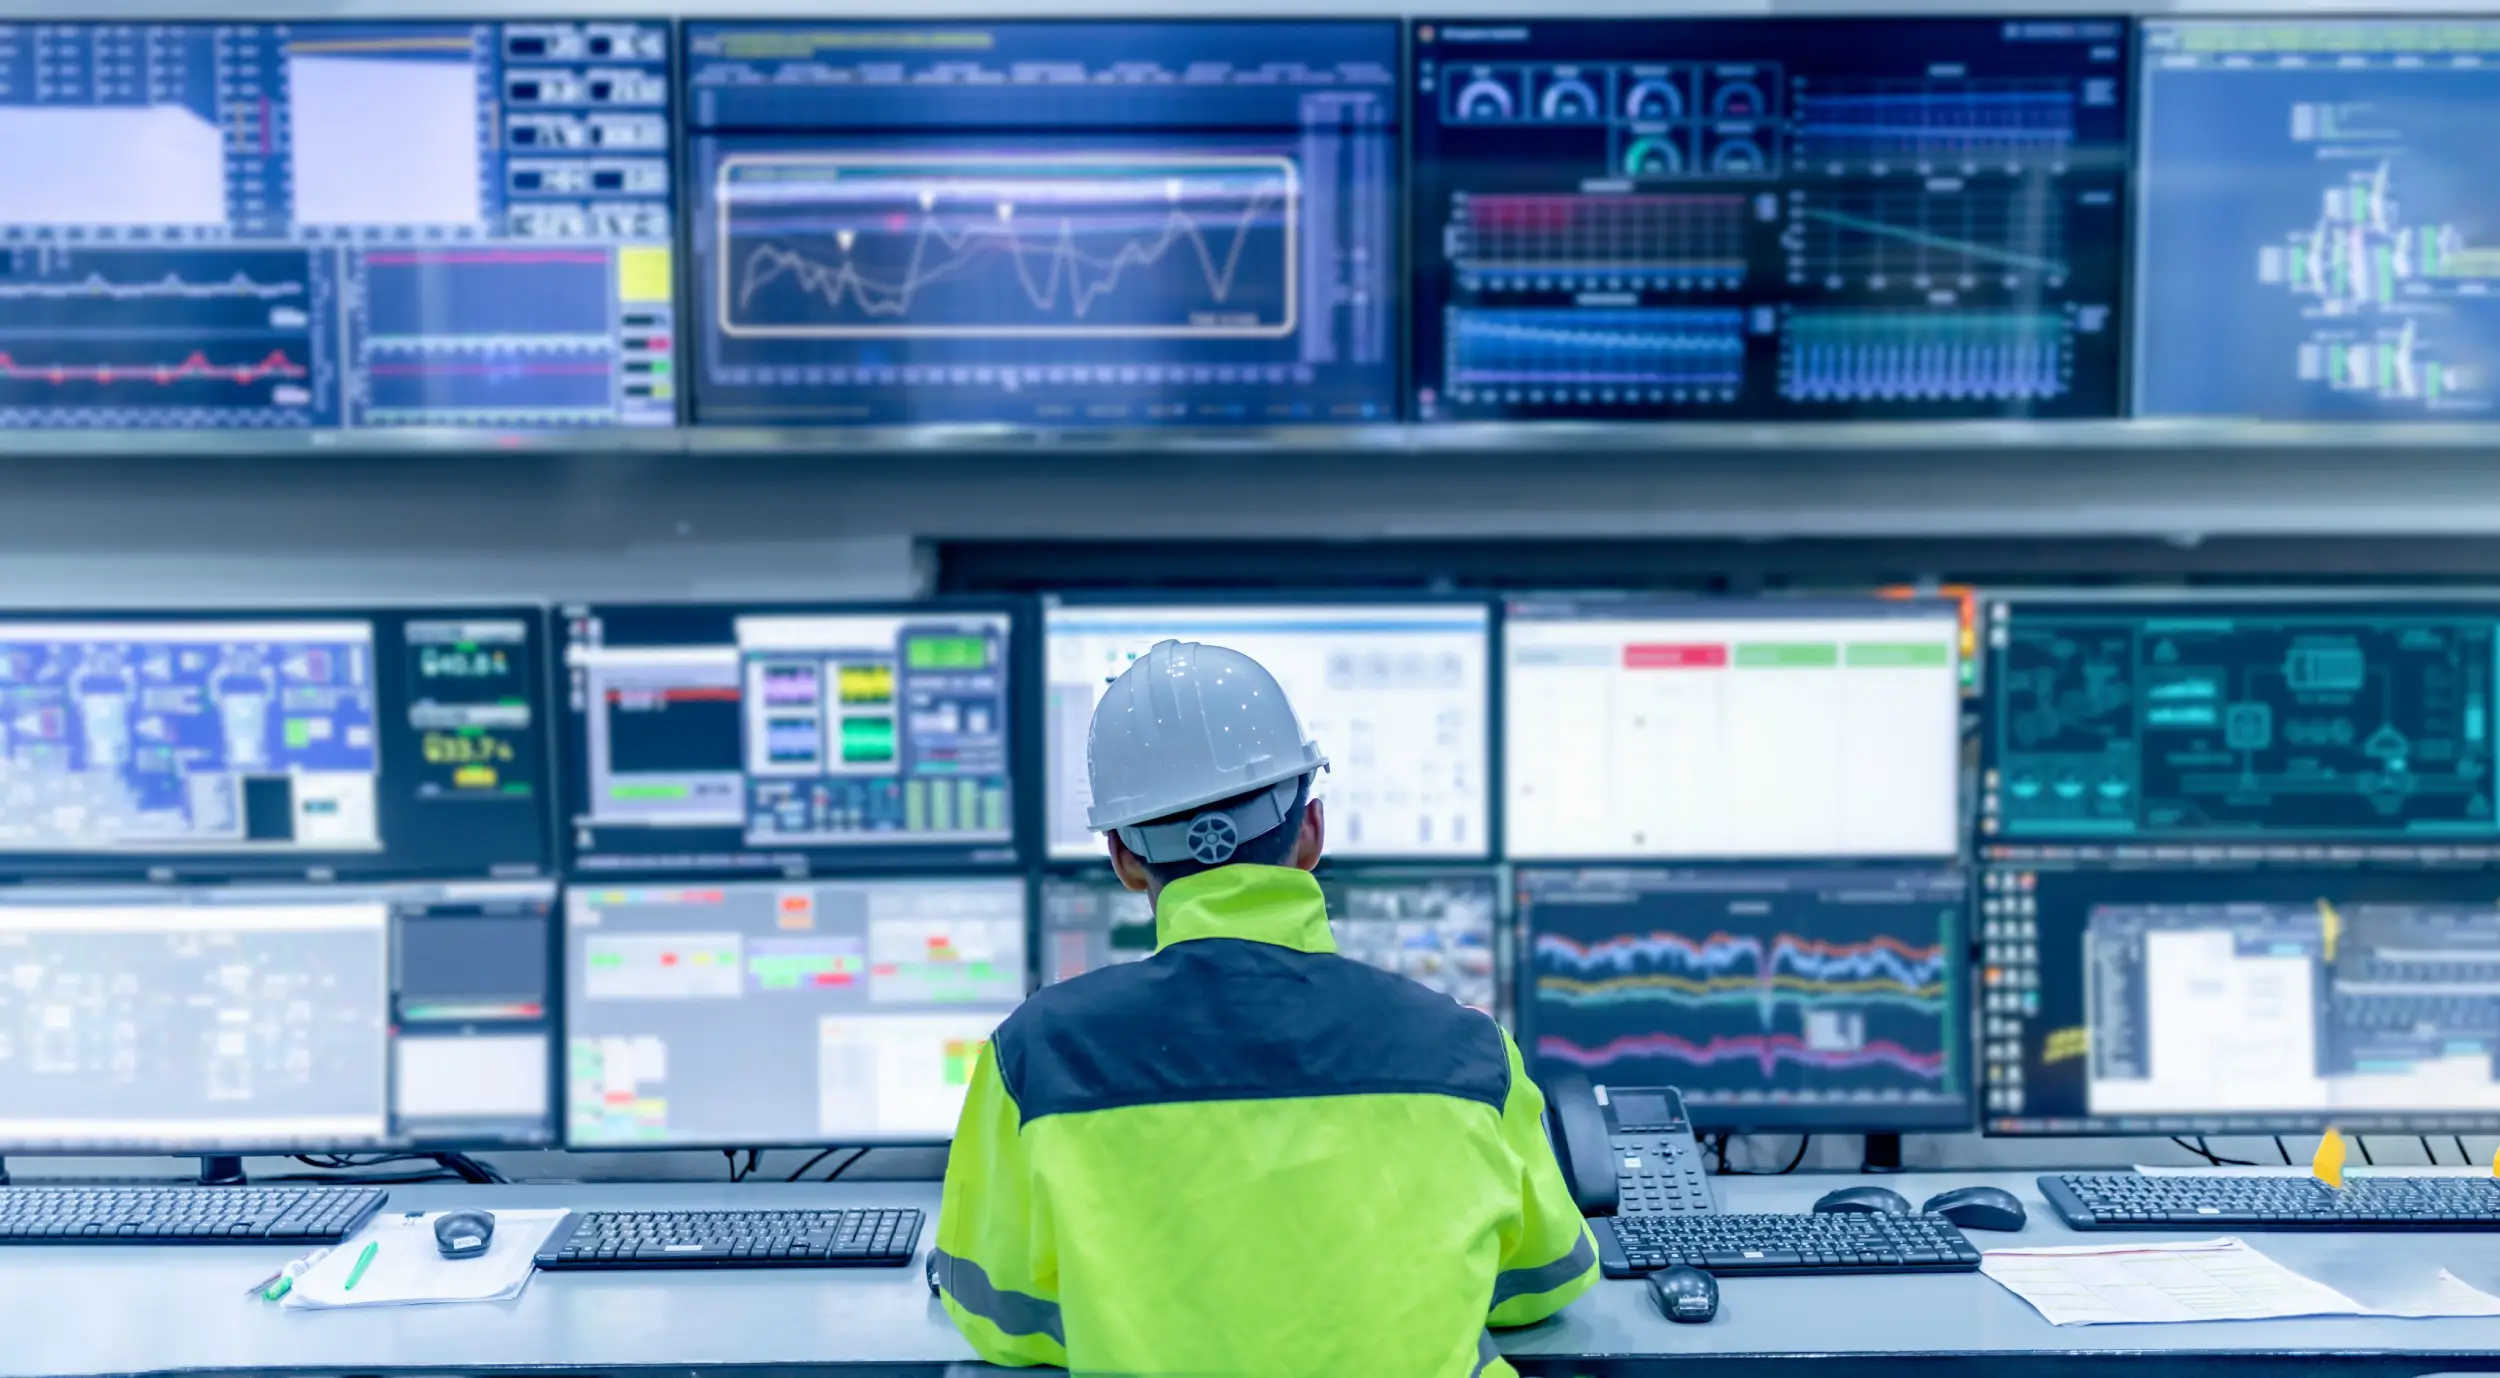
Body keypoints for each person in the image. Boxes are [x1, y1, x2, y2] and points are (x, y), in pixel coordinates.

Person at [934, 639, 1596, 1376]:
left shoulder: (1034, 1058)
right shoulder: (1467, 1054)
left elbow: (999, 1314)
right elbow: (1547, 1279)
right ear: (1310, 831)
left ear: (1122, 856)